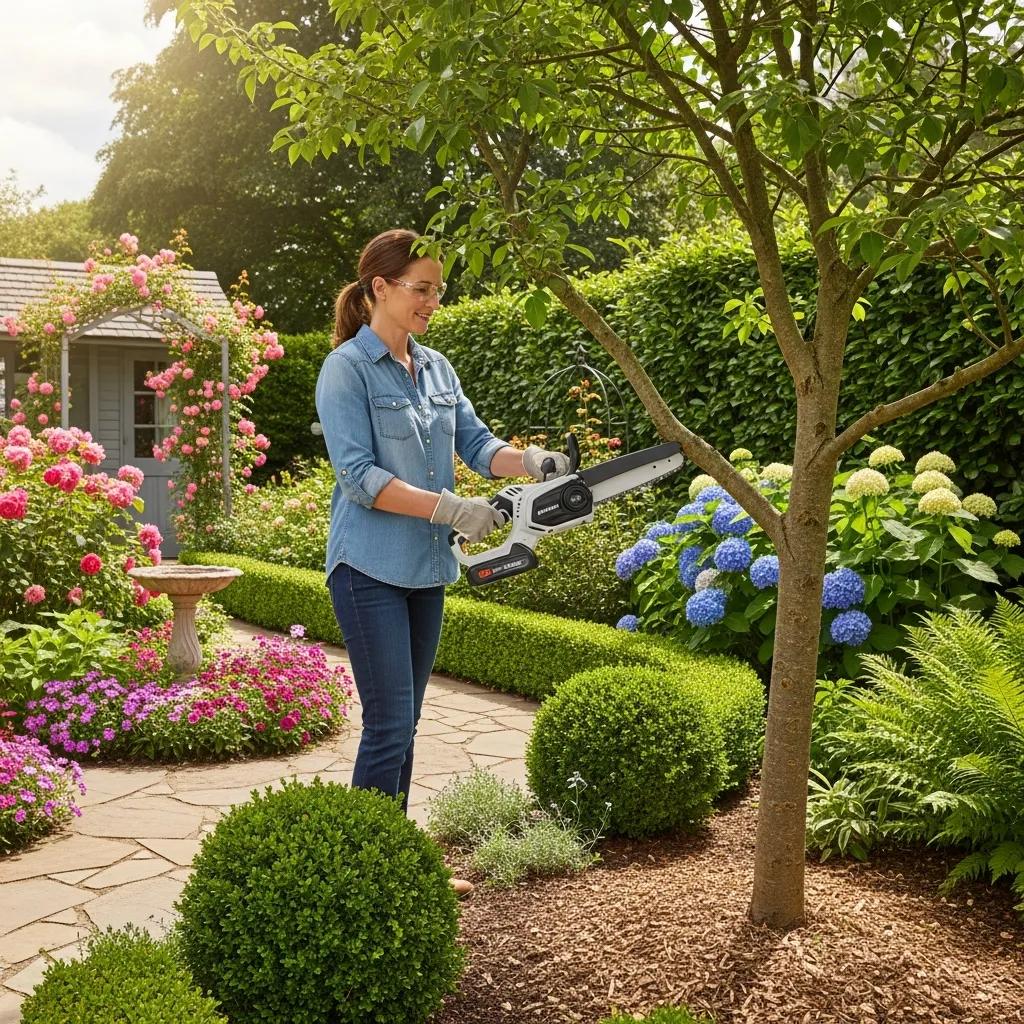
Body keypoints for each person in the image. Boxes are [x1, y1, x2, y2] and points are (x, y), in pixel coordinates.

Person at [315, 229, 569, 893]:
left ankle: (394, 863)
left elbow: (481, 446)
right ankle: (367, 875)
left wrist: (533, 461)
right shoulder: (346, 369)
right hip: (368, 570)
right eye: (421, 288)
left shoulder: (437, 369)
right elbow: (359, 477)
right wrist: (452, 511)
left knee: (407, 721)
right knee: (390, 723)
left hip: (426, 573)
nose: (433, 301)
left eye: (438, 291)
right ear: (380, 287)